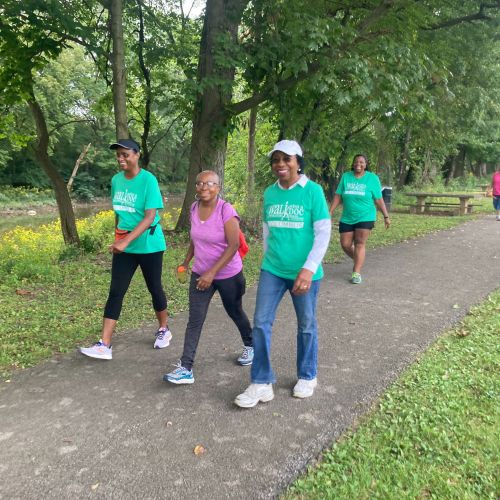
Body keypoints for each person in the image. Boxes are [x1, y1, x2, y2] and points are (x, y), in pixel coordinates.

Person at [234, 140, 331, 408]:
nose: (280, 164)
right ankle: (261, 382)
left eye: (286, 159)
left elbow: (323, 233)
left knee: (306, 324)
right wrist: (268, 259)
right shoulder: (270, 193)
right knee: (261, 323)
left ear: (298, 162)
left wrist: (308, 268)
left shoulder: (312, 192)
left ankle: (307, 375)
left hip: (305, 272)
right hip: (273, 269)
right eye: (276, 160)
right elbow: (267, 231)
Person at [79, 138, 171, 360]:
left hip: (149, 244)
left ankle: (164, 329)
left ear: (137, 154)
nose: (121, 158)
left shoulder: (148, 180)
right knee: (116, 291)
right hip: (124, 246)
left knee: (154, 288)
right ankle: (105, 344)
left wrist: (126, 240)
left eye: (125, 154)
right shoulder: (116, 181)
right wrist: (117, 238)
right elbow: (118, 213)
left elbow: (150, 217)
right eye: (118, 155)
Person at [164, 170, 253, 384]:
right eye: (200, 183)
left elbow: (233, 245)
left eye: (210, 183)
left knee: (235, 311)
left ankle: (251, 345)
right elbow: (196, 239)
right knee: (195, 319)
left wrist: (212, 273)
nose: (204, 187)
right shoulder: (193, 208)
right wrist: (186, 262)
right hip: (200, 273)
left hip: (228, 274)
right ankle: (186, 368)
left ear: (218, 187)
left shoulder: (226, 210)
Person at [329, 154, 390, 284]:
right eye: (356, 161)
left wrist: (386, 216)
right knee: (345, 244)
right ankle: (358, 259)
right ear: (353, 163)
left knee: (359, 243)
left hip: (365, 216)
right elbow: (338, 196)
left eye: (362, 162)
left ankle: (356, 272)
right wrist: (330, 212)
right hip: (347, 217)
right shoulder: (346, 177)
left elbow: (379, 199)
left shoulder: (372, 178)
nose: (359, 164)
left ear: (366, 164)